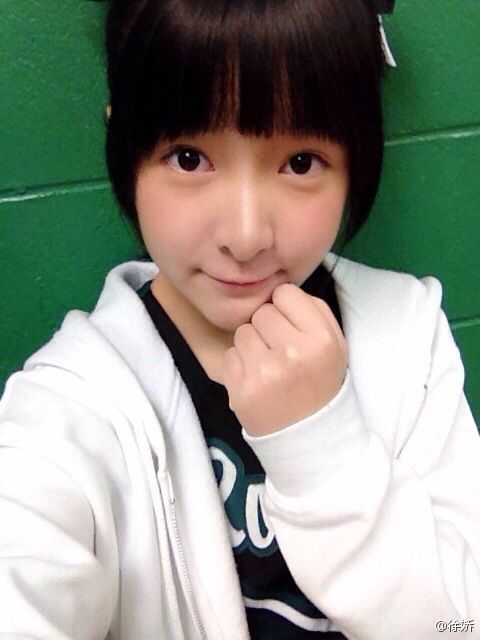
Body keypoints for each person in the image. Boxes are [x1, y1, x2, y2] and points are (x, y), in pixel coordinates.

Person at [1, 1, 479, 638]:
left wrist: (324, 452)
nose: (246, 236)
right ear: (125, 145)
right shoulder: (71, 404)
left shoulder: (410, 340)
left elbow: (459, 624)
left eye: (300, 162)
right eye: (189, 159)